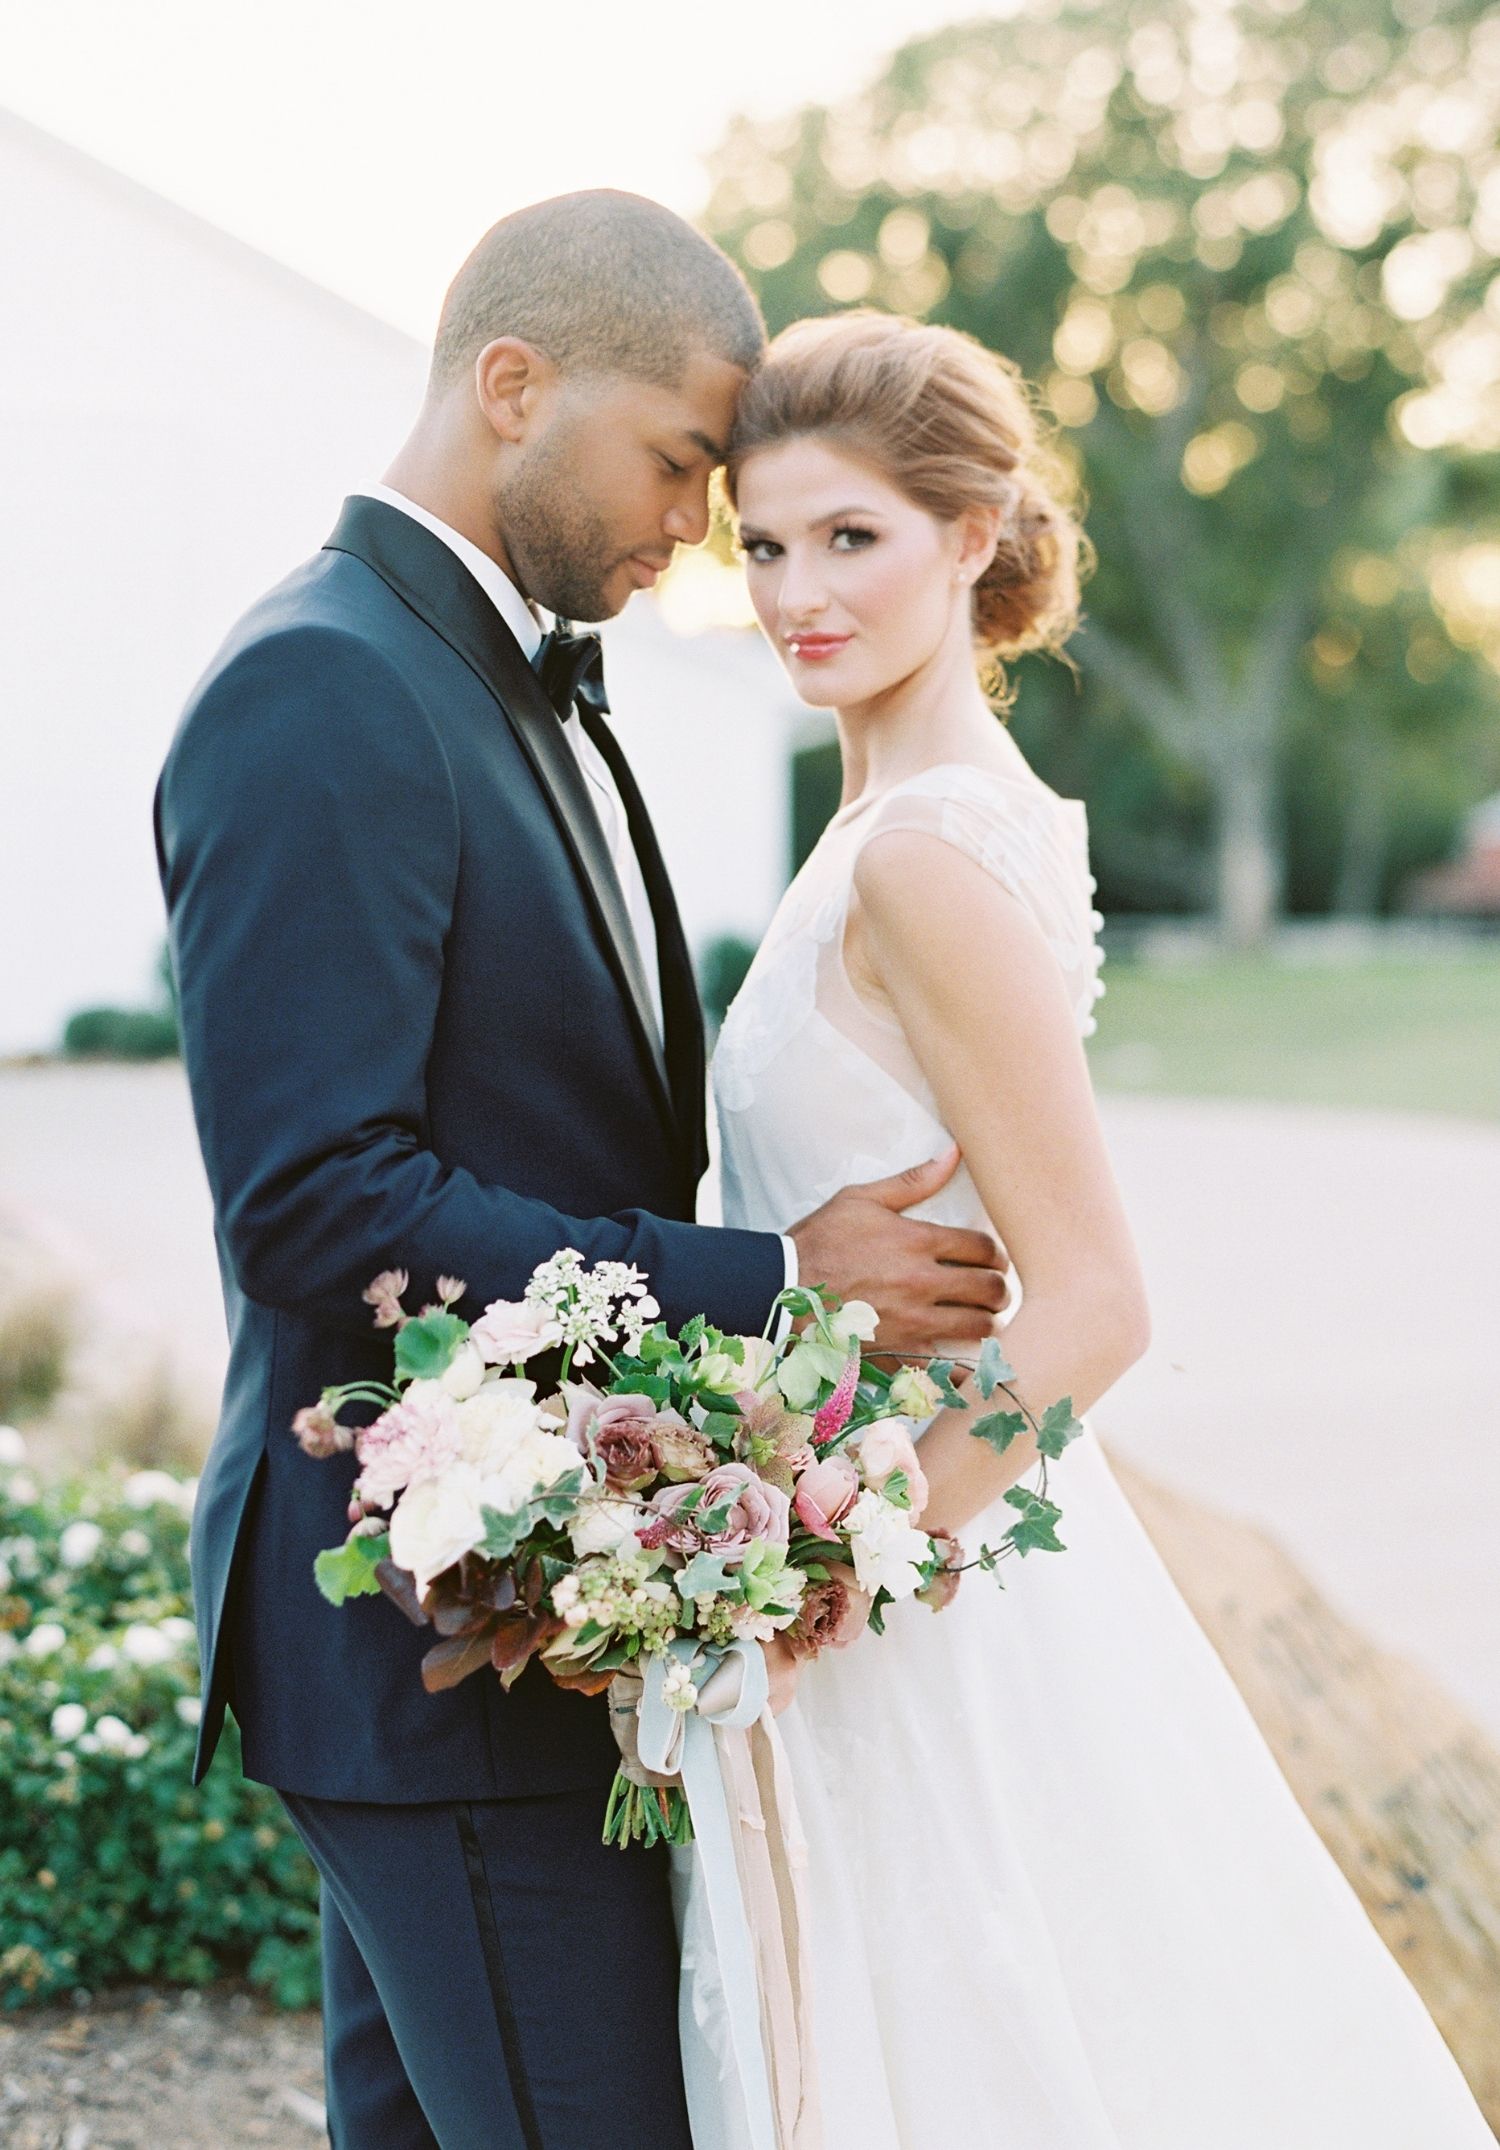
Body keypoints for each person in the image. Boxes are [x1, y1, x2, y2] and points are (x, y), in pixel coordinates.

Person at [154, 201, 1013, 2150]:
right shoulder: (327, 683)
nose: (702, 527)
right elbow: (316, 1204)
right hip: (429, 1649)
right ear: (515, 384)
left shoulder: (499, 677)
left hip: (517, 1625)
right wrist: (774, 1286)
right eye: (681, 461)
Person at [674, 308, 1493, 2147]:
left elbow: (1099, 1301)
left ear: (972, 535)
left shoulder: (920, 854)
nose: (797, 593)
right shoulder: (911, 816)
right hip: (881, 1541)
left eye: (852, 536)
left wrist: (824, 1572)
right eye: (766, 543)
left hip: (916, 1583)